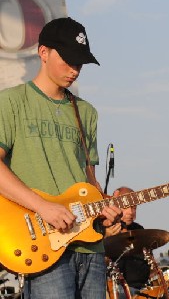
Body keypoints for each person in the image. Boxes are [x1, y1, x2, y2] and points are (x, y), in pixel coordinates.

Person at [0, 17, 123, 299]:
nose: (74, 70)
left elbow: (88, 181)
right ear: (43, 52)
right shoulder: (11, 102)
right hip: (44, 244)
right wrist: (43, 207)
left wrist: (106, 209)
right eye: (68, 60)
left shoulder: (86, 113)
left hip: (90, 247)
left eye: (79, 62)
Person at [104, 186, 151, 298]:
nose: (131, 212)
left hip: (141, 288)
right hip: (117, 289)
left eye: (134, 208)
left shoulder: (139, 229)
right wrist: (106, 238)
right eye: (126, 207)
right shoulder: (104, 228)